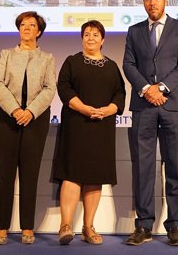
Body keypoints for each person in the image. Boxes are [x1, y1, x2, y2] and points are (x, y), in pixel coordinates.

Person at [123, 0, 178, 247]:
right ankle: (143, 226)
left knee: (175, 166)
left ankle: (175, 225)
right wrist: (145, 89)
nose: (152, 3)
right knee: (143, 168)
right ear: (143, 2)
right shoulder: (134, 30)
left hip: (173, 105)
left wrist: (160, 88)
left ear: (165, 0)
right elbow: (128, 64)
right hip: (144, 106)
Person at [52, 20, 125, 246]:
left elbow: (120, 94)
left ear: (103, 40)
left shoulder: (112, 66)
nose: (91, 38)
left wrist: (109, 110)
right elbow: (63, 88)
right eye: (87, 34)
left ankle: (88, 227)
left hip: (102, 127)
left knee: (95, 177)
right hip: (76, 123)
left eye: (95, 34)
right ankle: (65, 226)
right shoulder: (72, 62)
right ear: (82, 38)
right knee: (72, 174)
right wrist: (83, 108)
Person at [0, 11, 56, 245]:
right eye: (23, 24)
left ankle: (27, 226)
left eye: (32, 25)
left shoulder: (47, 58)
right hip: (7, 119)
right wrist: (15, 110)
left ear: (39, 32)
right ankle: (1, 227)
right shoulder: (6, 54)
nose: (26, 28)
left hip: (35, 121)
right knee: (4, 174)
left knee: (30, 174)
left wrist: (30, 111)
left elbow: (50, 89)